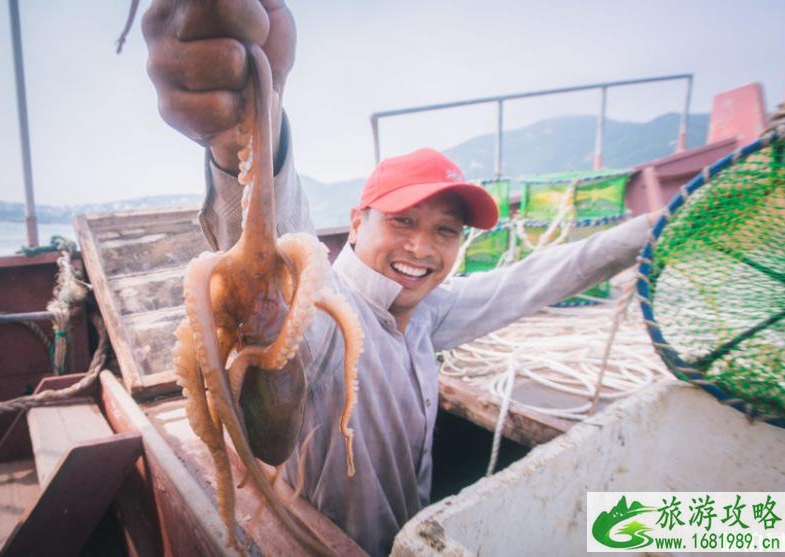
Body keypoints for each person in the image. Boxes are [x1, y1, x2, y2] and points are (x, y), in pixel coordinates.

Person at [142, 2, 657, 554]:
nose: (421, 247)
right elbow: (275, 245)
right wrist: (243, 131)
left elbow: (539, 278)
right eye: (403, 221)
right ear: (359, 222)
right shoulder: (322, 314)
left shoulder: (431, 313)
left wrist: (652, 229)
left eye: (445, 230)